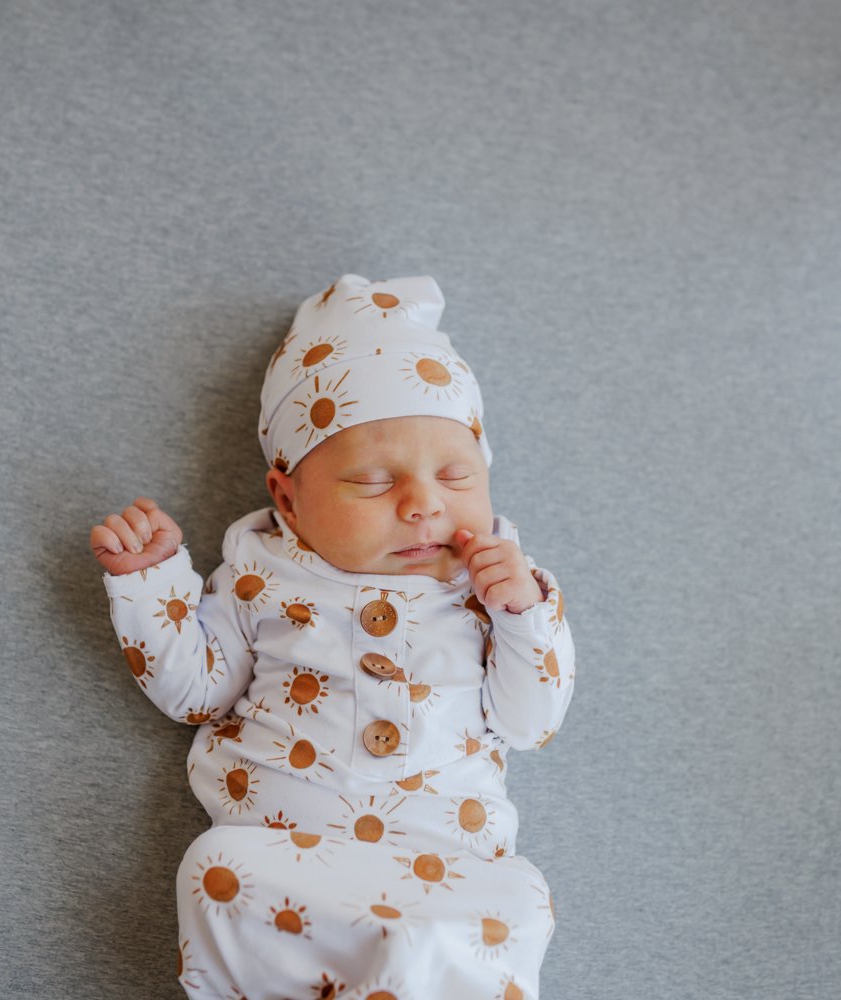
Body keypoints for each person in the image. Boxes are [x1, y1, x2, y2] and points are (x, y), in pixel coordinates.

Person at [90, 273, 576, 999]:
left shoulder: (496, 591)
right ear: (287, 499)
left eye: (454, 475)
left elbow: (530, 723)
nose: (421, 505)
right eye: (374, 483)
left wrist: (523, 617)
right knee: (213, 868)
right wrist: (152, 583)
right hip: (287, 862)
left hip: (446, 867)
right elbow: (196, 693)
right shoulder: (261, 578)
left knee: (521, 896)